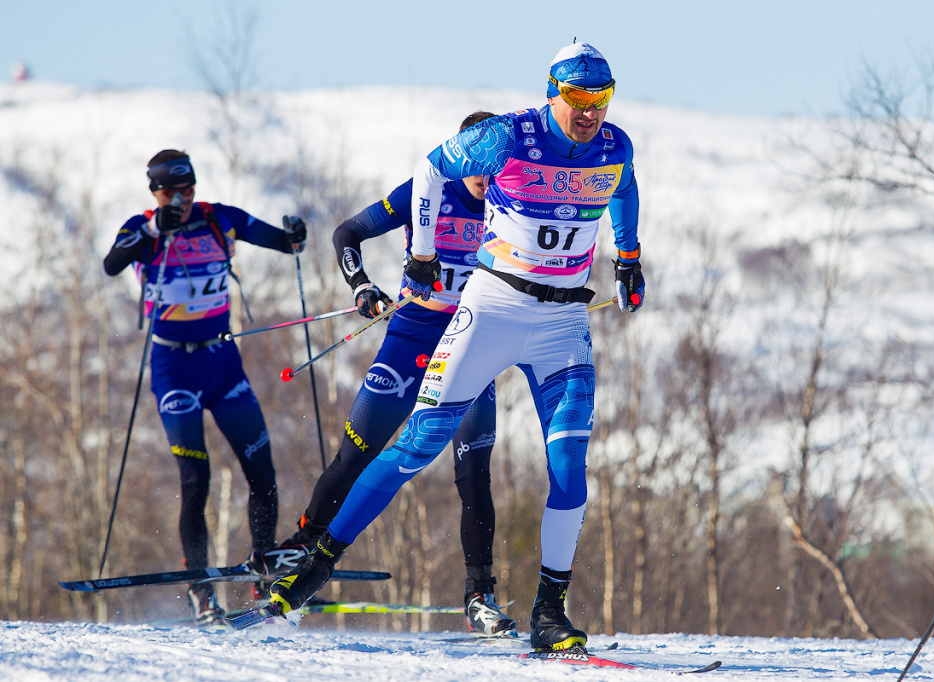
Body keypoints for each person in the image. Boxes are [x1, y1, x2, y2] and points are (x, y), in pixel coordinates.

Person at [265, 42, 645, 652]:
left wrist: (627, 258)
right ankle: (317, 563)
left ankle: (549, 611)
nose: (589, 111)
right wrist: (419, 255)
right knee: (417, 445)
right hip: (492, 309)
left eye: (600, 99)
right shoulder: (505, 137)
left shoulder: (614, 145)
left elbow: (624, 187)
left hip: (562, 325)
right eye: (576, 98)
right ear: (553, 91)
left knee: (570, 467)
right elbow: (430, 168)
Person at [245, 112, 516, 636]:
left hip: (471, 343)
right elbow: (348, 232)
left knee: (473, 473)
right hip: (411, 336)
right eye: (479, 161)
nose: (489, 173)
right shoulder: (425, 190)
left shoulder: (512, 200)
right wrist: (362, 287)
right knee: (358, 451)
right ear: (460, 155)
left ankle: (479, 595)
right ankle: (301, 550)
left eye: (498, 162)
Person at [102, 150, 307, 626]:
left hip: (222, 363)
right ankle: (200, 590)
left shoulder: (221, 220)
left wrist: (294, 236)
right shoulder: (141, 228)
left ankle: (263, 567)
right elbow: (113, 264)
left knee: (262, 469)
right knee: (196, 481)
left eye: (189, 189)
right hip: (175, 368)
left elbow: (281, 243)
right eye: (172, 192)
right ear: (155, 194)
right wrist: (156, 230)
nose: (183, 199)